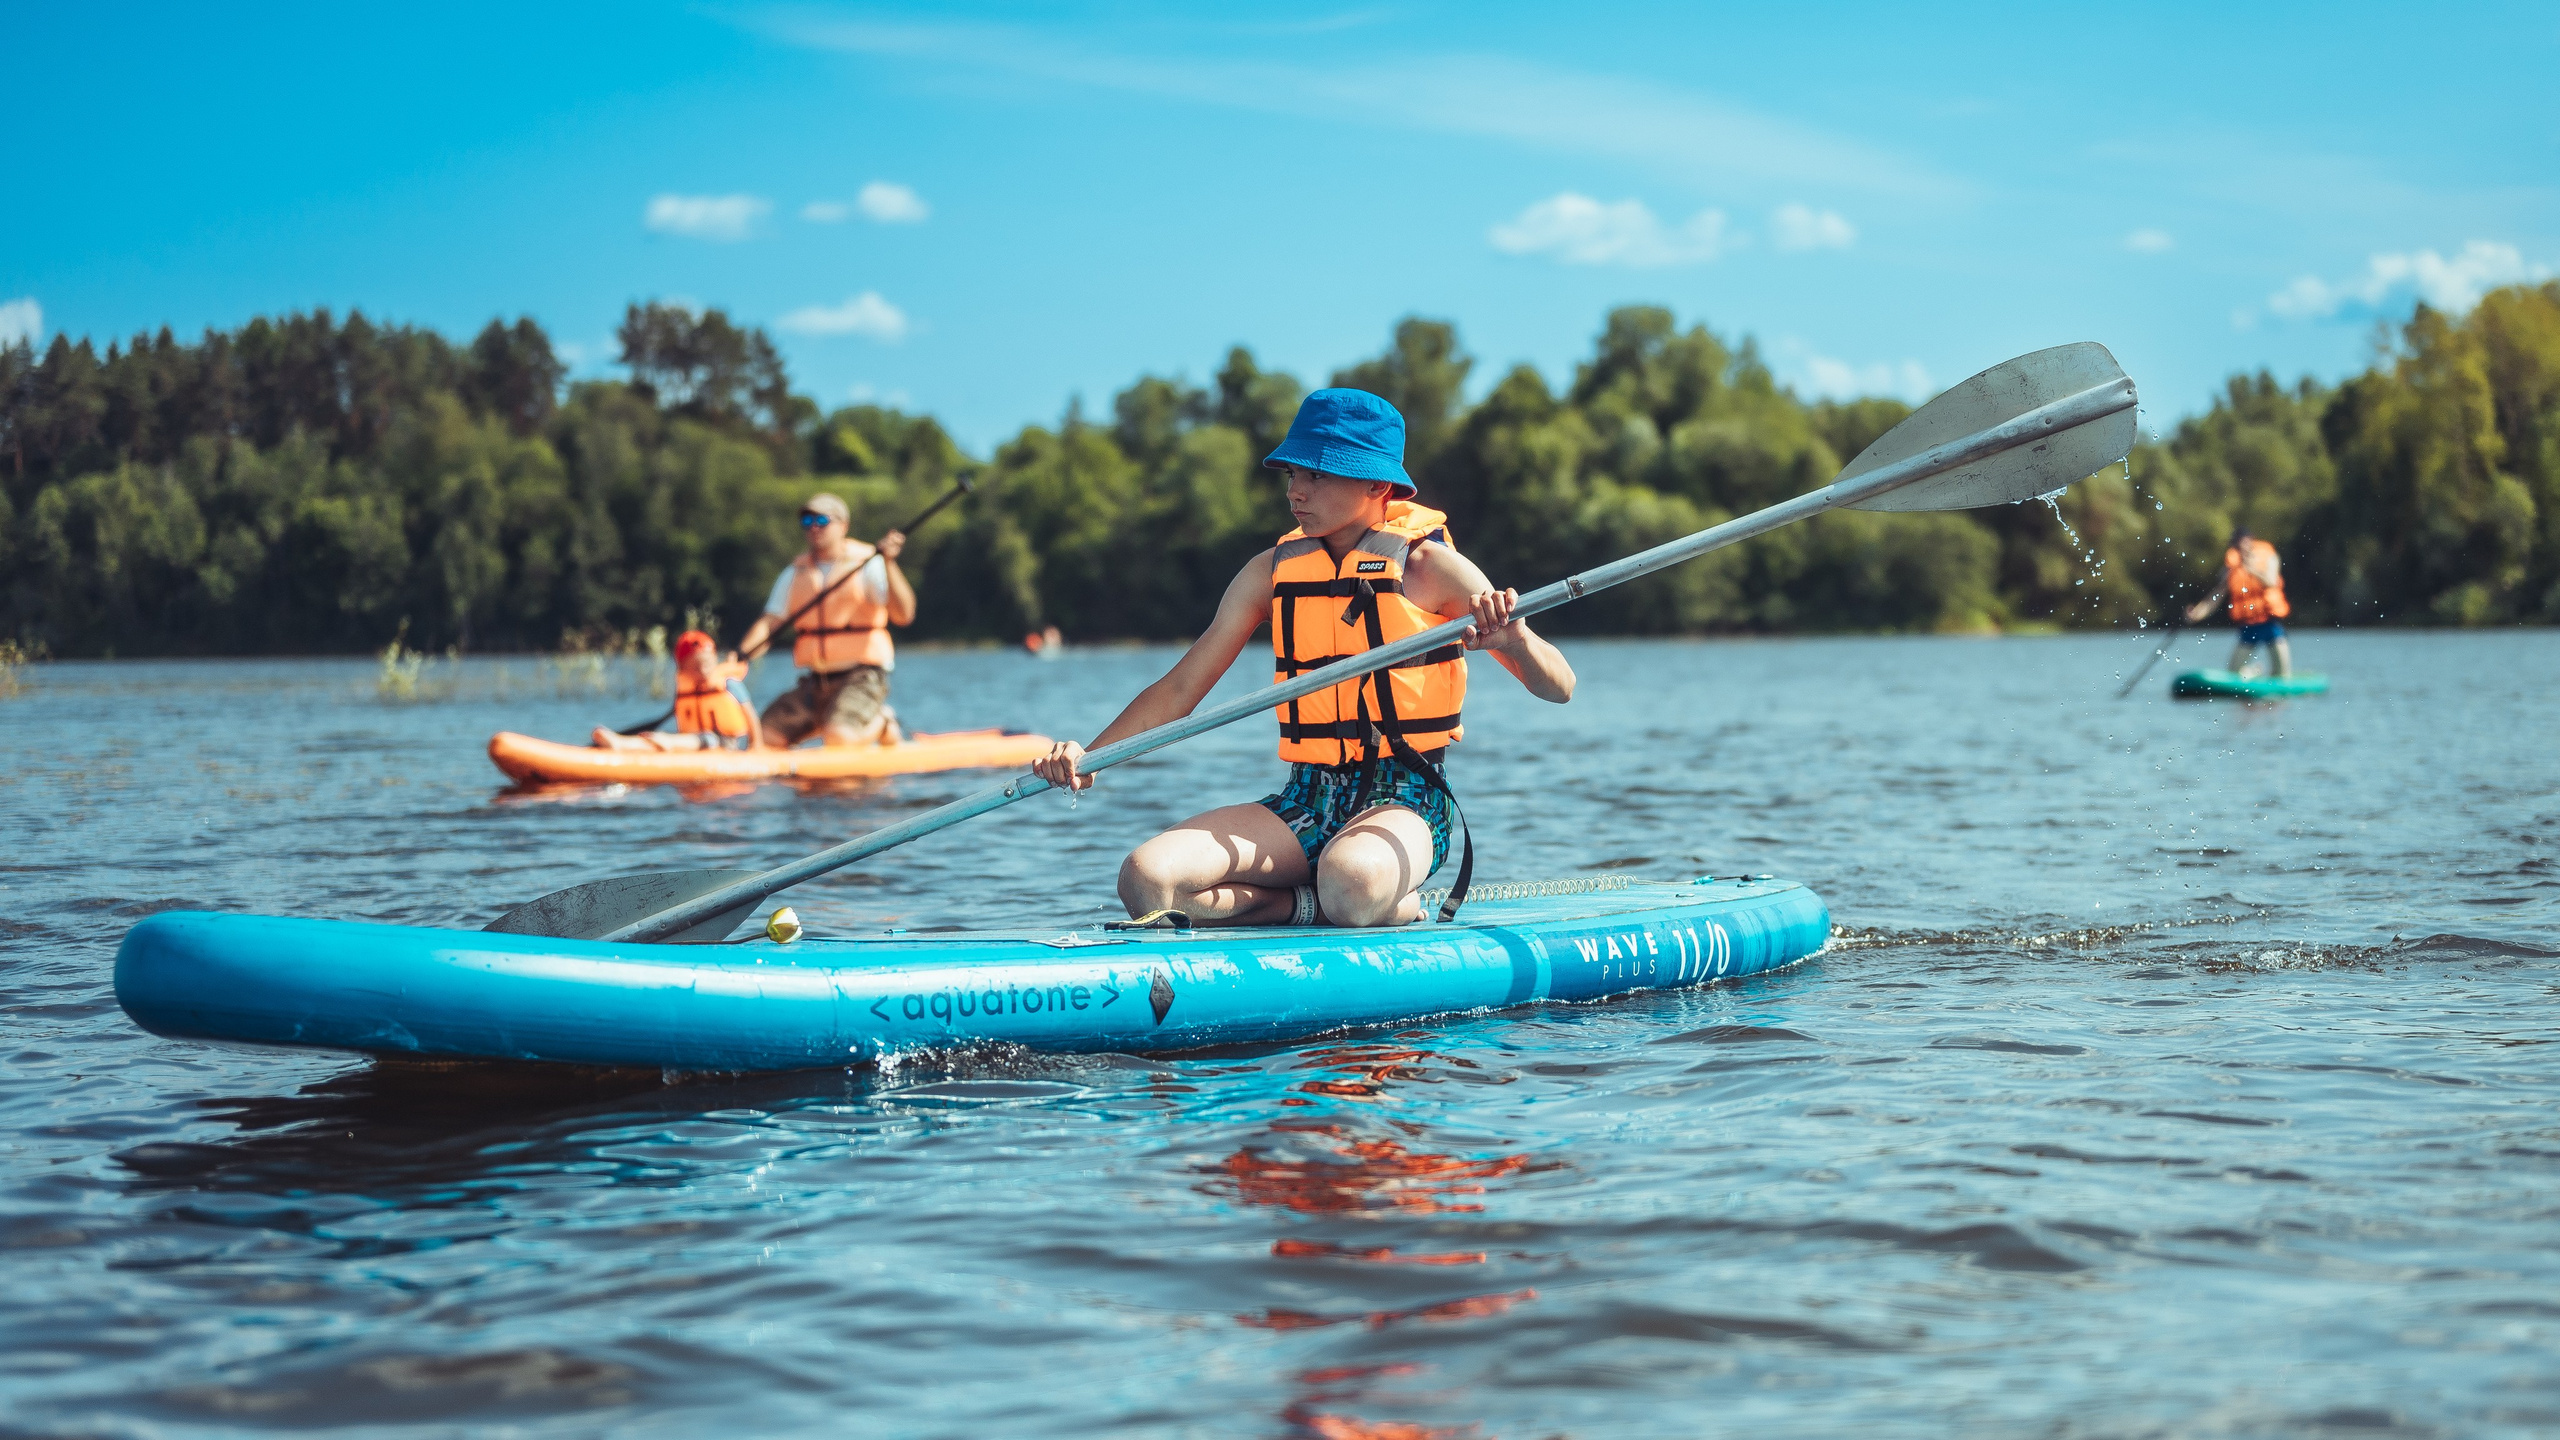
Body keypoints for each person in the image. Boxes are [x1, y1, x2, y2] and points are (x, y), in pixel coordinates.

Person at [1031, 389, 1576, 929]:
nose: (1296, 490)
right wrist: (1090, 757)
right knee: (1147, 880)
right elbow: (1179, 690)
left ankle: (1375, 900)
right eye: (1293, 473)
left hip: (1406, 802)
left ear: (1377, 485)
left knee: (1352, 879)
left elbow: (1560, 686)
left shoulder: (1433, 569)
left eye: (1318, 474)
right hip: (1306, 797)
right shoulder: (1269, 572)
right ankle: (1312, 906)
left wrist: (1515, 641)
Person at [735, 493, 916, 747]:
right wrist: (739, 657)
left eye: (822, 520)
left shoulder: (869, 564)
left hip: (862, 677)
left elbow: (904, 614)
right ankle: (830, 725)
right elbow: (770, 623)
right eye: (807, 522)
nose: (814, 527)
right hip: (815, 682)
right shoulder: (794, 572)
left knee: (839, 738)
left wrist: (889, 564)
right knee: (764, 738)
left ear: (844, 526)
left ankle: (883, 721)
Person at [590, 630, 763, 751]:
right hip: (695, 742)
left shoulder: (729, 683)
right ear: (683, 669)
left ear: (715, 659)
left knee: (677, 741)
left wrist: (756, 746)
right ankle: (622, 744)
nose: (703, 671)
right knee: (662, 740)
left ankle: (629, 744)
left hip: (726, 744)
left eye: (708, 664)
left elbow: (751, 715)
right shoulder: (684, 688)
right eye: (695, 667)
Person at [2186, 526, 2293, 677]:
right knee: (2234, 673)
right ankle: (2254, 673)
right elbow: (2216, 597)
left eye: (2246, 543)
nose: (2243, 549)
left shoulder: (2268, 555)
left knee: (2282, 674)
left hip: (2271, 624)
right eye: (2238, 546)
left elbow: (2271, 581)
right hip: (2248, 627)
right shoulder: (2231, 567)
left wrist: (2252, 569)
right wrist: (2197, 614)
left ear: (2252, 541)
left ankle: (2276, 679)